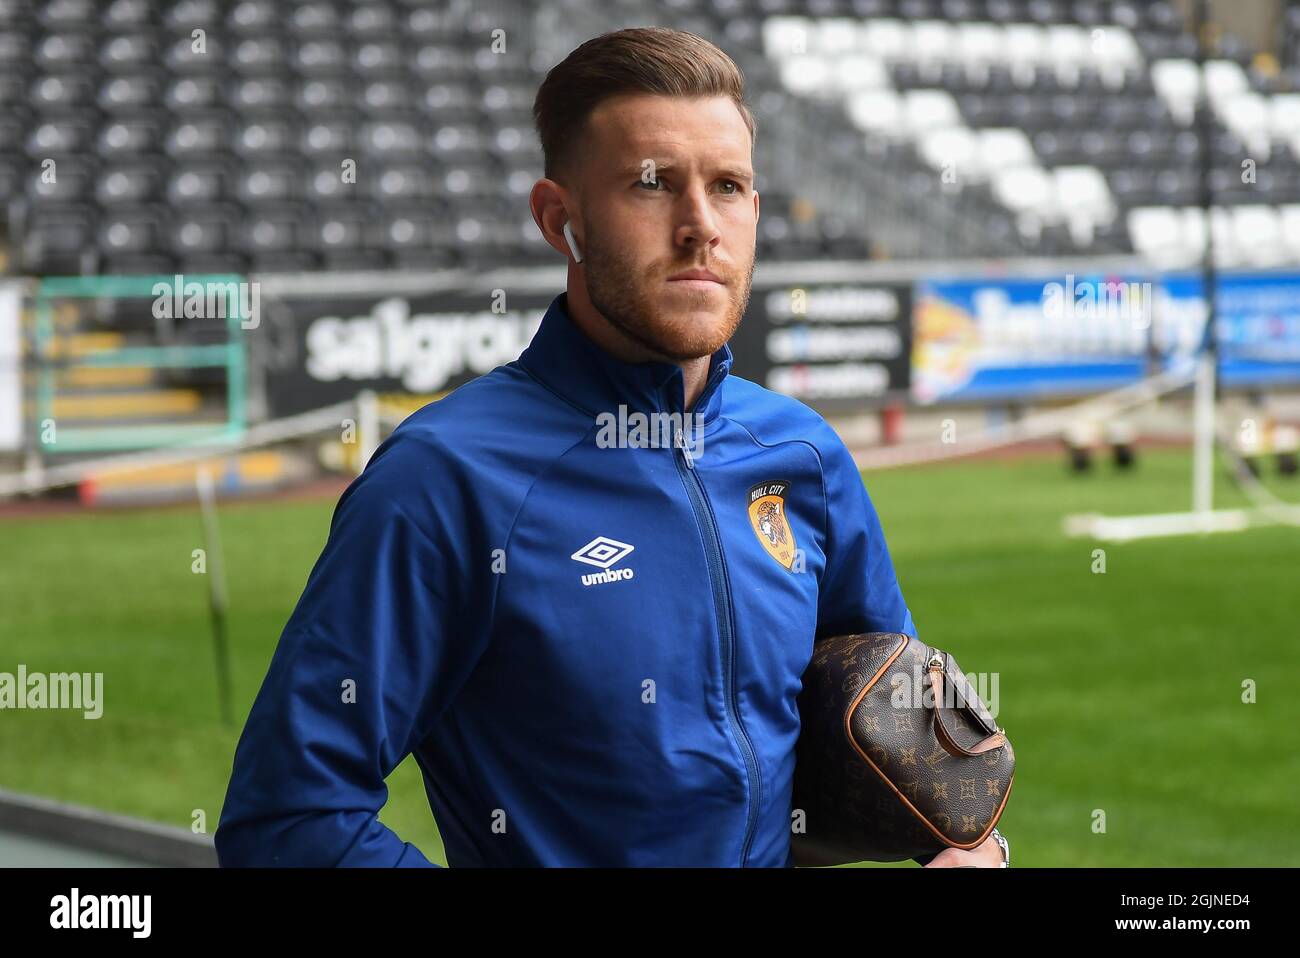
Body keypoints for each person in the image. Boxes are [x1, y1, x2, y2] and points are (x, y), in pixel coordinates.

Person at [215, 26, 1006, 868]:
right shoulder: (444, 481)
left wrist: (969, 844)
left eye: (729, 186)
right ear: (563, 220)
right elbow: (289, 819)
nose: (701, 227)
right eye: (652, 185)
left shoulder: (804, 455)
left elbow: (897, 724)